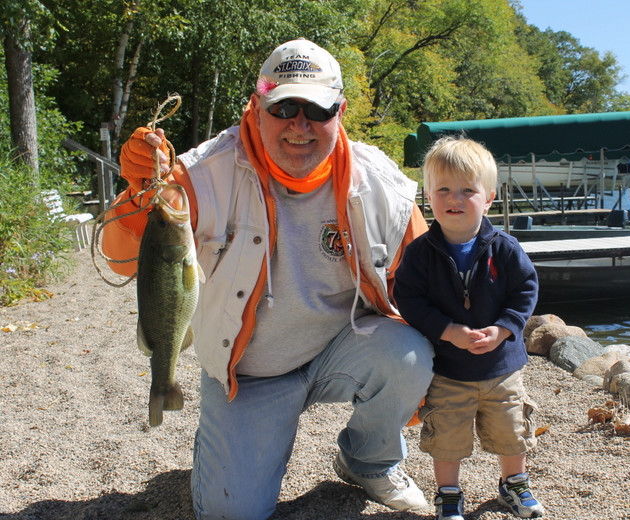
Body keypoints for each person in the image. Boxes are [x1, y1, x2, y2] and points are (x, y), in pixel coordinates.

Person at [102, 38, 434, 519]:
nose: (300, 125)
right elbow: (119, 262)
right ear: (256, 107)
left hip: (345, 348)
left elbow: (426, 283)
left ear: (339, 111)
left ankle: (368, 460)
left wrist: (473, 362)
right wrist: (136, 193)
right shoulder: (199, 174)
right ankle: (224, 447)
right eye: (284, 107)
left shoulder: (380, 183)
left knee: (411, 355)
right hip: (248, 374)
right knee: (230, 513)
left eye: (317, 109)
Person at [393, 136, 545, 519]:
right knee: (447, 435)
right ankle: (448, 492)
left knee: (511, 430)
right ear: (428, 196)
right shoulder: (419, 253)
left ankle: (514, 484)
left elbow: (526, 289)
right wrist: (446, 331)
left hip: (501, 368)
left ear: (489, 198)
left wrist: (505, 329)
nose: (454, 198)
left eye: (467, 190)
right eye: (443, 189)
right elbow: (409, 301)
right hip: (448, 369)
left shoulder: (505, 248)